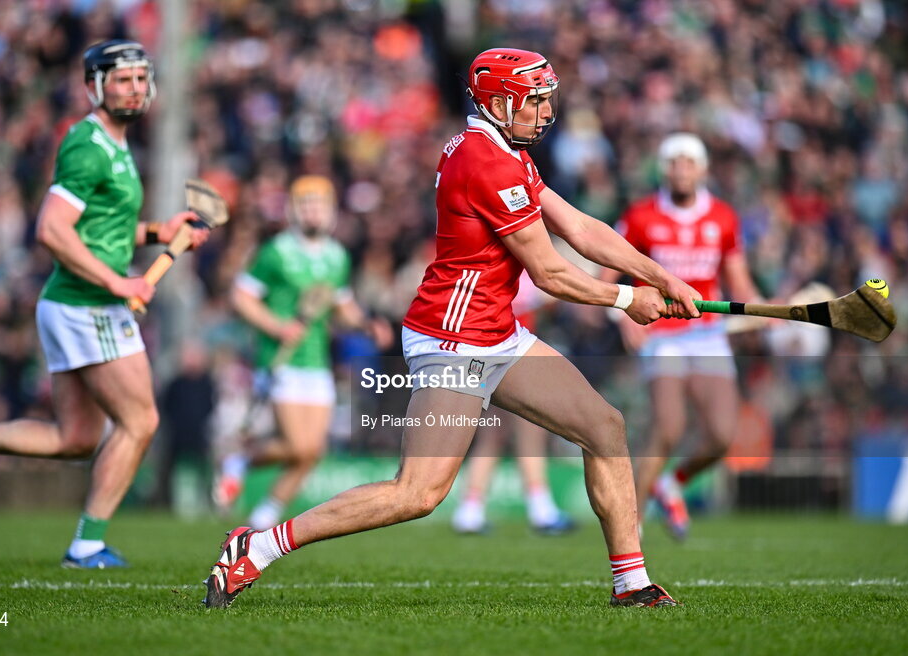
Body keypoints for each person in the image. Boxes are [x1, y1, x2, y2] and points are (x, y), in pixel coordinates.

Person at [202, 48, 700, 610]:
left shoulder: (505, 150)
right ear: (499, 100)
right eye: (534, 101)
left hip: (496, 332)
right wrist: (628, 297)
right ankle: (259, 544)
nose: (545, 112)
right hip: (452, 340)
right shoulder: (484, 162)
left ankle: (631, 583)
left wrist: (663, 275)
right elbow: (551, 270)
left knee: (605, 427)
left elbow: (581, 229)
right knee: (417, 493)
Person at [0, 40, 210, 568]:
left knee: (76, 437)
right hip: (88, 306)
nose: (134, 87)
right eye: (122, 78)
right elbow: (52, 230)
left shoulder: (115, 144)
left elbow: (98, 231)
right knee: (141, 422)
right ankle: (87, 544)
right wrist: (119, 284)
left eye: (139, 78)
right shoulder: (88, 145)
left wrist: (158, 230)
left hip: (71, 305)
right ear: (95, 85)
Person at [602, 133, 762, 540]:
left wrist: (767, 311)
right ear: (664, 169)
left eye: (689, 162)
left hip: (707, 334)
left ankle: (672, 482)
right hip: (660, 335)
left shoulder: (723, 217)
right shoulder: (640, 216)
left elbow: (740, 284)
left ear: (703, 169)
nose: (681, 170)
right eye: (674, 163)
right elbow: (607, 277)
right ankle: (631, 527)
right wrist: (622, 314)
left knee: (723, 436)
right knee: (669, 427)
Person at [212, 175, 392, 530]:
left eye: (319, 206)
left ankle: (262, 518)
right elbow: (241, 297)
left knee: (313, 451)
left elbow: (341, 306)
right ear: (295, 211)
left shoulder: (337, 257)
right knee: (297, 446)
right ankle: (239, 460)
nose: (313, 213)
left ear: (331, 213)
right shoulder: (276, 251)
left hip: (316, 360)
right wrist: (277, 327)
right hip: (281, 359)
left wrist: (366, 326)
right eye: (306, 205)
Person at [451, 270, 575, 535]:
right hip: (503, 348)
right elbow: (532, 295)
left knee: (492, 435)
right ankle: (540, 509)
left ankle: (470, 509)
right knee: (530, 429)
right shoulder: (509, 263)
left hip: (486, 352)